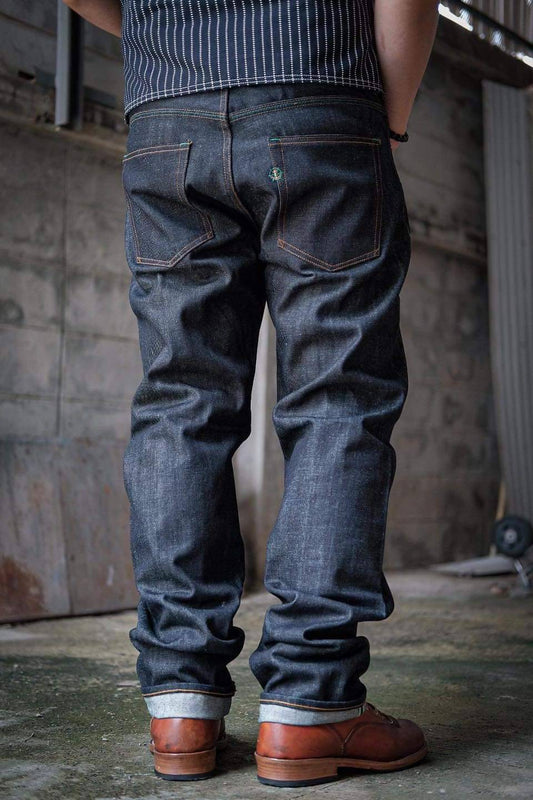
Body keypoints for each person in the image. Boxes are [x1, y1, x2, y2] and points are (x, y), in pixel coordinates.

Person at [63, 0, 439, 787]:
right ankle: (311, 703)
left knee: (181, 401)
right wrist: (389, 119)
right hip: (320, 93)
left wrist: (165, 32)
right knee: (337, 400)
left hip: (167, 114)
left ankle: (180, 703)